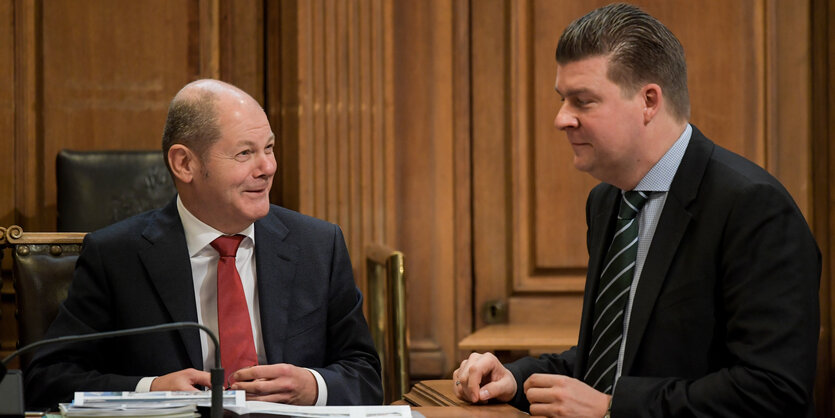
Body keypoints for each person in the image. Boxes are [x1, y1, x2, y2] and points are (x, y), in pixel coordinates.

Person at [453, 3, 820, 417]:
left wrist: (614, 409)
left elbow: (773, 389)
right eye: (562, 100)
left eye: (583, 101)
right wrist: (516, 379)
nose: (560, 119)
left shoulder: (754, 207)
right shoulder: (608, 200)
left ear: (648, 101)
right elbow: (615, 358)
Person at [24, 79, 383, 409]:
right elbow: (48, 379)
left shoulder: (318, 246)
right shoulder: (116, 256)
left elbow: (366, 375)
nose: (267, 167)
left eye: (269, 148)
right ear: (185, 164)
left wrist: (313, 385)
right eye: (245, 153)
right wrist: (151, 389)